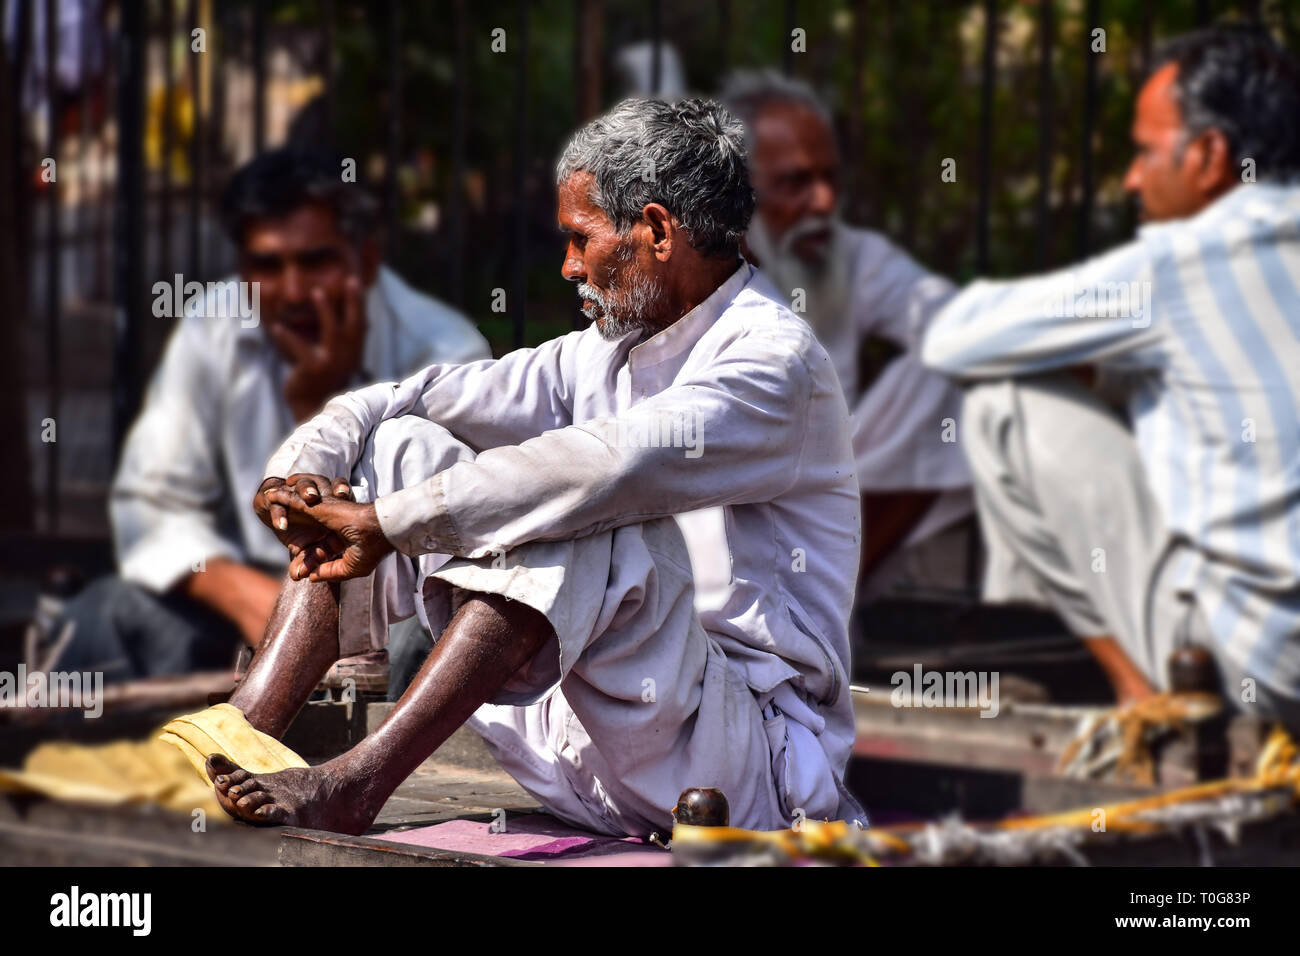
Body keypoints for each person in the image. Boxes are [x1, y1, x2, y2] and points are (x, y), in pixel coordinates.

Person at [201, 97, 866, 837]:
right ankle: (235, 734)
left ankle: (355, 783)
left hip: (743, 764)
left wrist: (386, 524)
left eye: (581, 239)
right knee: (400, 444)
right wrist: (297, 478)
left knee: (582, 512)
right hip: (583, 749)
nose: (569, 267)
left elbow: (607, 470)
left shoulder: (774, 361)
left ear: (654, 230)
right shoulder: (607, 347)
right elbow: (404, 399)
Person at [923, 25, 1300, 725]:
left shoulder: (1185, 263)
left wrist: (1080, 349)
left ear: (1211, 155)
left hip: (1268, 669)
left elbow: (953, 339)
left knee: (1001, 401)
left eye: (1145, 152)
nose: (1131, 178)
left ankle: (1140, 691)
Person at [51, 148, 490, 683]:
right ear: (244, 270)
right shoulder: (215, 327)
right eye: (268, 266)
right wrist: (253, 602)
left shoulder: (446, 351)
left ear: (366, 260)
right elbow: (150, 505)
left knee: (431, 632)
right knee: (105, 614)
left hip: (394, 621)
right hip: (250, 606)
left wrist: (326, 404)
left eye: (316, 261)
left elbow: (465, 536)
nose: (294, 291)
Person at [720, 70, 975, 601]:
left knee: (957, 359)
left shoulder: (850, 256)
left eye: (829, 179)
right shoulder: (685, 273)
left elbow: (953, 318)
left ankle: (828, 597)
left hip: (830, 513)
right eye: (796, 182)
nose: (823, 202)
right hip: (718, 541)